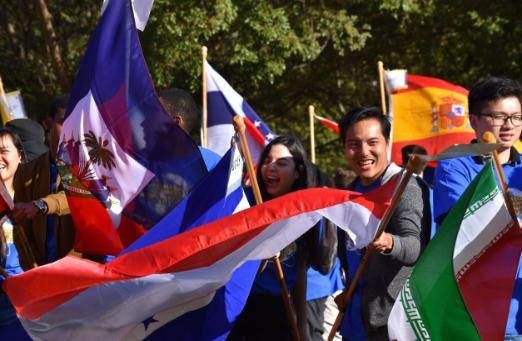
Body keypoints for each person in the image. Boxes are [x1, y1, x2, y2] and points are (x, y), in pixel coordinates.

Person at [433, 76, 522, 337]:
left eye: (516, 117)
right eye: (499, 116)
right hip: (474, 313)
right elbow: (467, 227)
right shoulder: (455, 166)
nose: (509, 125)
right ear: (474, 120)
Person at [229, 135, 339, 341]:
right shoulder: (245, 202)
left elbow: (299, 273)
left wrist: (302, 327)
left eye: (281, 163)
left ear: (298, 172)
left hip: (278, 309)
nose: (270, 167)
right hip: (237, 304)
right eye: (267, 161)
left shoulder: (304, 213)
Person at [337, 107, 431, 340]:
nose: (363, 152)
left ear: (387, 143)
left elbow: (414, 247)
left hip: (392, 325)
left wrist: (388, 241)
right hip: (354, 321)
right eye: (354, 144)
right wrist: (348, 291)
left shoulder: (405, 186)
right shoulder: (348, 194)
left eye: (372, 142)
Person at [8, 96, 76, 269]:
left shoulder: (87, 166)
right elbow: (22, 229)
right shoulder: (26, 172)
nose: (71, 130)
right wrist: (32, 266)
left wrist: (41, 205)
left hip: (82, 273)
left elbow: (77, 196)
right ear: (48, 123)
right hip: (45, 276)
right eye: (63, 122)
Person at [0, 129, 31, 339]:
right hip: (4, 304)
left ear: (20, 155)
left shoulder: (38, 194)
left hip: (39, 295)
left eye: (3, 151)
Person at [159, 88, 220, 171]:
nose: (146, 120)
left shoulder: (215, 165)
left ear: (176, 123)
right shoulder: (146, 163)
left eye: (156, 114)